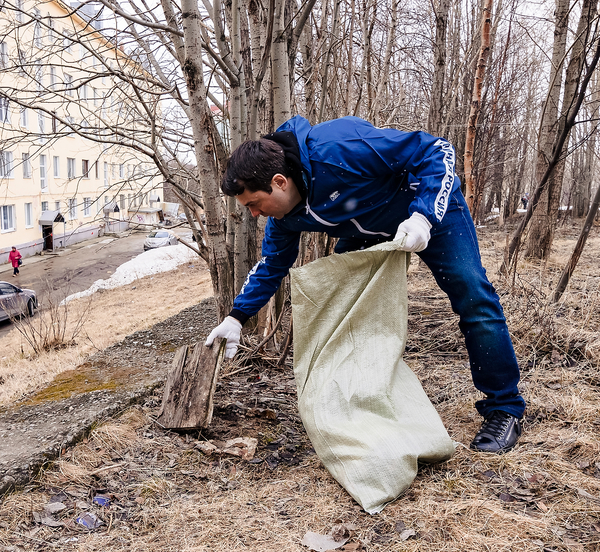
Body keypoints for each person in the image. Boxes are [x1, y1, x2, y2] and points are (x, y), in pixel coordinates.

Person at [204, 115, 526, 453]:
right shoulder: (284, 217)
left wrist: (422, 216)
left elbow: (435, 150)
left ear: (279, 182)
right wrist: (236, 316)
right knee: (348, 314)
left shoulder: (340, 146)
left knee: (473, 295)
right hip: (366, 234)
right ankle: (363, 409)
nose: (254, 214)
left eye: (254, 204)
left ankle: (505, 408)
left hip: (426, 212)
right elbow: (271, 265)